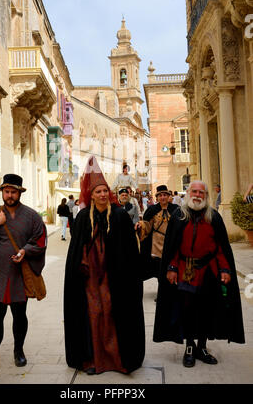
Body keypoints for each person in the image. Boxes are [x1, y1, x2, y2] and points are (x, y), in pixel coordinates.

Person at [64, 156, 145, 375]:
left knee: (112, 313)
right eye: (97, 192)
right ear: (91, 195)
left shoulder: (119, 216)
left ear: (109, 193)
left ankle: (116, 359)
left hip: (114, 278)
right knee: (93, 314)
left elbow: (129, 251)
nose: (101, 195)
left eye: (104, 191)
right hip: (89, 278)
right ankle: (92, 358)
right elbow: (75, 250)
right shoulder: (82, 218)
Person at [153, 180, 245, 368]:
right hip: (184, 271)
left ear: (206, 195)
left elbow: (221, 248)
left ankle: (202, 347)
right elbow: (173, 247)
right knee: (187, 310)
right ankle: (189, 346)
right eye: (194, 191)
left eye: (201, 192)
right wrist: (171, 268)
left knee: (206, 310)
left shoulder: (214, 217)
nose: (197, 195)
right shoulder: (179, 216)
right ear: (188, 193)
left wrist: (225, 269)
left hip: (208, 272)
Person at [0, 174, 47, 375]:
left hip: (20, 276)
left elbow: (40, 240)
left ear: (20, 193)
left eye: (13, 192)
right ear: (2, 192)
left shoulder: (32, 216)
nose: (10, 195)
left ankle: (18, 350)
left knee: (19, 315)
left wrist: (25, 251)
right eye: (6, 191)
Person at [136, 185, 178, 282]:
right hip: (157, 245)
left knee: (172, 269)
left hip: (171, 243)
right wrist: (141, 225)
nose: (162, 197)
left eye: (165, 195)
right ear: (157, 197)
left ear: (169, 196)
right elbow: (147, 226)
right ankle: (161, 295)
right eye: (160, 195)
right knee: (160, 271)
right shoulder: (152, 210)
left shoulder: (176, 209)